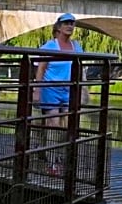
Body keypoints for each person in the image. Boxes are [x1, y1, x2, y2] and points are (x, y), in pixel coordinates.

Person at [32, 13, 84, 176]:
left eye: (72, 23)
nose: (70, 26)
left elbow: (80, 68)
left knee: (68, 125)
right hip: (50, 88)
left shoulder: (76, 46)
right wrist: (37, 90)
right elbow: (41, 68)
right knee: (53, 123)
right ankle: (52, 162)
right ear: (59, 27)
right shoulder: (50, 46)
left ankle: (49, 150)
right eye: (66, 23)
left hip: (69, 89)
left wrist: (84, 89)